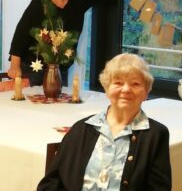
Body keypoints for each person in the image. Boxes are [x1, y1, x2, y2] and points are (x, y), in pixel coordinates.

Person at [7, 0, 161, 86]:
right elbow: (21, 33)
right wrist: (14, 67)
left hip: (59, 71)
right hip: (31, 69)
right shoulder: (39, 3)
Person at [37, 53, 172, 191]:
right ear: (107, 89)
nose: (126, 89)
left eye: (135, 84)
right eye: (118, 83)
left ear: (146, 92)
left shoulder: (156, 134)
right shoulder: (82, 129)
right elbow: (51, 182)